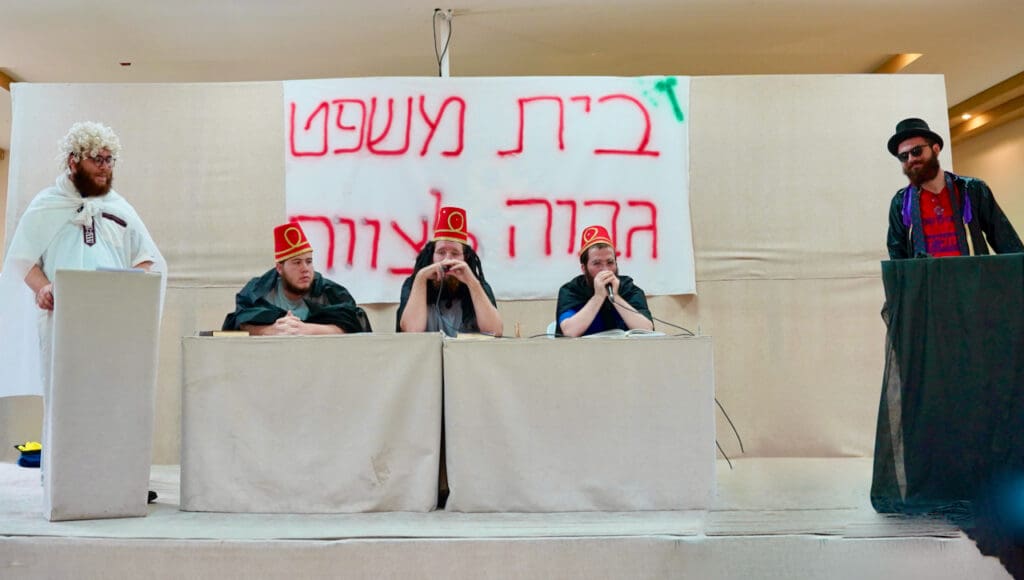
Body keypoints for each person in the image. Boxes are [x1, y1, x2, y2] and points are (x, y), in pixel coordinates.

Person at [0, 121, 166, 400]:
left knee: (109, 398)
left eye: (109, 160)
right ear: (73, 161)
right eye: (97, 159)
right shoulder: (45, 205)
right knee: (64, 399)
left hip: (110, 322)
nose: (105, 167)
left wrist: (128, 288)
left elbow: (145, 259)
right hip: (61, 320)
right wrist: (43, 288)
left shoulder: (120, 208)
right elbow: (21, 260)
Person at [886, 117, 1023, 260]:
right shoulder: (901, 202)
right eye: (903, 156)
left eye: (916, 151)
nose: (911, 159)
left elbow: (1007, 242)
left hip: (972, 274)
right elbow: (898, 259)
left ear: (935, 150)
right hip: (925, 275)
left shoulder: (972, 189)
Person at [222, 222, 371, 335]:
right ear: (279, 268)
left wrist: (307, 329)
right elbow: (240, 324)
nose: (305, 269)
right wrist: (272, 330)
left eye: (309, 261)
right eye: (297, 262)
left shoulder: (329, 292)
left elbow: (354, 325)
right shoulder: (259, 292)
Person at [396, 206, 502, 336]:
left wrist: (472, 283)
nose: (447, 260)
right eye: (441, 252)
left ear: (465, 258)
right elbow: (412, 331)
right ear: (431, 257)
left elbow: (494, 332)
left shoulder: (479, 286)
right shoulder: (413, 284)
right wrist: (421, 277)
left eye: (455, 253)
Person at [556, 225, 653, 337]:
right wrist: (598, 296)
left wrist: (615, 297)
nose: (605, 270)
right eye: (597, 263)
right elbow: (569, 332)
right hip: (583, 348)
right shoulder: (571, 290)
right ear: (584, 268)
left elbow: (647, 330)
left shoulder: (628, 288)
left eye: (610, 262)